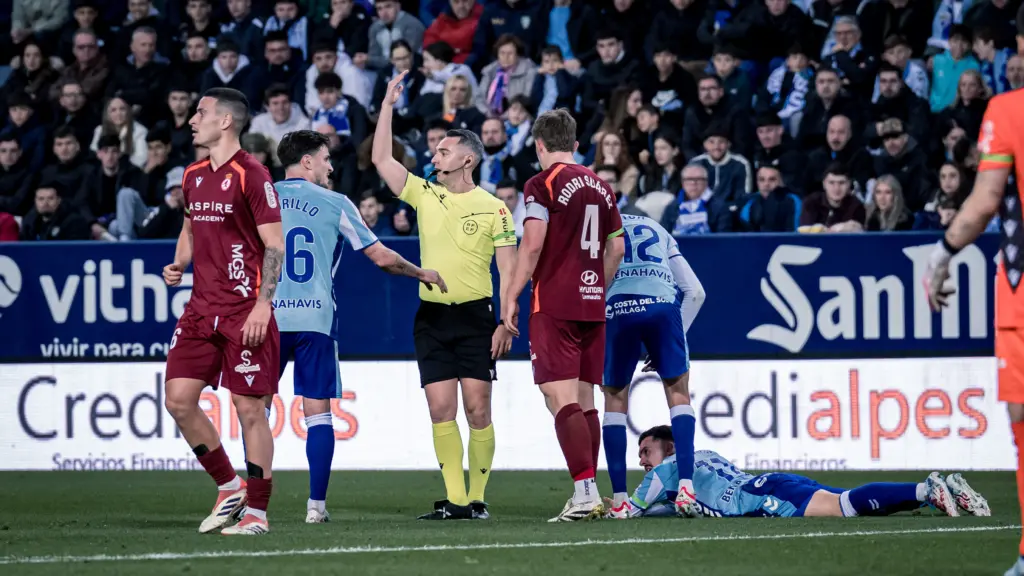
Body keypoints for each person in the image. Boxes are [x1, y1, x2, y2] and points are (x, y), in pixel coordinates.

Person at [273, 130, 446, 524]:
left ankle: (251, 503)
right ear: (307, 162)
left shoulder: (261, 199)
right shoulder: (336, 203)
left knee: (257, 410)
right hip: (315, 318)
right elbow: (381, 258)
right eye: (325, 159)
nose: (331, 167)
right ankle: (316, 507)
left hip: (266, 317)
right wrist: (420, 273)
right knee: (317, 413)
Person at [372, 70, 518, 521]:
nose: (435, 153)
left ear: (468, 160)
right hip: (432, 317)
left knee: (478, 409)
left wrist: (507, 321)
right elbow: (381, 159)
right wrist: (387, 105)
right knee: (441, 408)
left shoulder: (495, 207)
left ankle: (477, 498)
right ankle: (456, 500)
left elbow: (509, 271)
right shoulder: (424, 193)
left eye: (444, 149)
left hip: (478, 317)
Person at [161, 87, 284, 536]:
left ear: (226, 121)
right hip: (200, 309)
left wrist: (262, 307)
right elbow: (190, 227)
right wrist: (179, 263)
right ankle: (228, 485)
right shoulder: (192, 174)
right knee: (177, 399)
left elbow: (275, 245)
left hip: (242, 312)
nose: (193, 119)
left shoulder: (253, 175)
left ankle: (257, 513)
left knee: (250, 409)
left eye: (201, 112)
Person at [922, 49, 1024, 574]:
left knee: (1022, 420)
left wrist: (940, 257)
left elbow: (986, 200)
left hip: (1021, 295)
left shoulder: (1008, 110)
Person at [503, 108, 626, 522]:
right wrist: (598, 288)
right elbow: (617, 248)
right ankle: (589, 492)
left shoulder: (542, 184)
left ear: (539, 144)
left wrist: (511, 294)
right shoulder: (602, 185)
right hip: (593, 303)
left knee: (558, 397)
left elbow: (533, 244)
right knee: (584, 398)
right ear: (575, 144)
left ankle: (585, 492)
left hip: (554, 301)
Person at [609, 425, 991, 519]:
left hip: (762, 496)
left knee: (844, 506)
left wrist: (611, 505)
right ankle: (941, 490)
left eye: (646, 450)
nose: (642, 460)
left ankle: (927, 490)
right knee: (849, 502)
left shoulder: (666, 470)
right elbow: (672, 506)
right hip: (771, 482)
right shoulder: (702, 453)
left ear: (669, 447)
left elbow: (633, 510)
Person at [601, 213, 705, 519]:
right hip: (662, 306)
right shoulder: (659, 229)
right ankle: (686, 488)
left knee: (615, 400)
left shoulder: (599, 226)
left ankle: (620, 501)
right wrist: (674, 336)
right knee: (678, 393)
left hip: (618, 307)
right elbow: (696, 292)